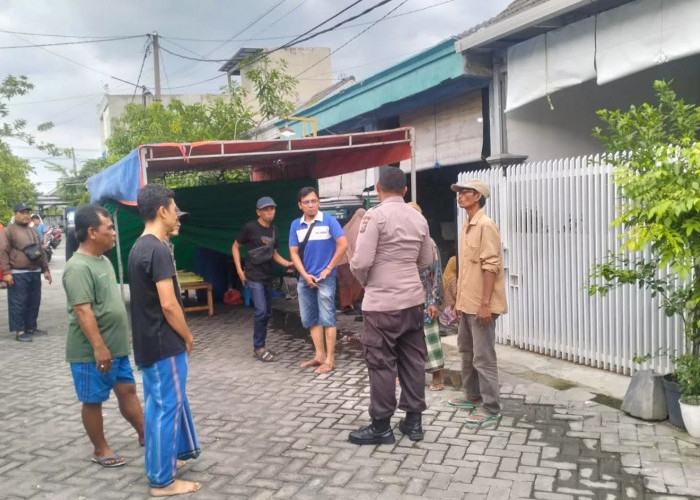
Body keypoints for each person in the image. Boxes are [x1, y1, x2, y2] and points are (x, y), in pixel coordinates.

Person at [348, 167, 433, 445]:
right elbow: (425, 260)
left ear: (378, 188)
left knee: (381, 363)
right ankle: (414, 423)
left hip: (382, 304)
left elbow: (360, 263)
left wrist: (367, 283)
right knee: (413, 361)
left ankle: (381, 426)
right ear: (405, 190)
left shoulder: (375, 216)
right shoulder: (418, 218)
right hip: (413, 302)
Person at [128, 184, 201, 497]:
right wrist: (187, 335)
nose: (177, 217)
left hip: (150, 343)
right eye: (175, 210)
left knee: (159, 407)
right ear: (162, 211)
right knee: (166, 408)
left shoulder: (139, 247)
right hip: (163, 343)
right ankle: (162, 481)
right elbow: (169, 304)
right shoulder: (157, 249)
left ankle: (164, 464)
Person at [62, 205, 145, 468]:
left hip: (116, 347)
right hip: (91, 353)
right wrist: (99, 347)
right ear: (91, 232)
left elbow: (109, 304)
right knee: (93, 400)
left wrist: (122, 336)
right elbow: (82, 310)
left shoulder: (104, 260)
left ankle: (146, 434)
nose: (114, 233)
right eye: (109, 228)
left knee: (128, 390)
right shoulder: (77, 267)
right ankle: (100, 449)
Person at [448, 179, 508, 425]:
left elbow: (490, 266)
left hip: (481, 305)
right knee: (466, 351)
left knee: (484, 357)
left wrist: (485, 304)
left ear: (477, 196)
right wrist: (458, 302)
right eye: (459, 193)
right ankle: (472, 396)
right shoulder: (466, 227)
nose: (459, 196)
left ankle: (491, 406)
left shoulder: (486, 225)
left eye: (464, 193)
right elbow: (466, 269)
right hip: (467, 303)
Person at [289, 187, 348, 375]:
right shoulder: (295, 225)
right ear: (300, 205)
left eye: (314, 201)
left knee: (327, 317)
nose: (311, 205)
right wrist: (305, 275)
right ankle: (319, 356)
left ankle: (330, 359)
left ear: (319, 202)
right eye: (307, 202)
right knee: (311, 318)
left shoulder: (329, 221)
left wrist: (329, 268)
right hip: (305, 279)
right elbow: (293, 252)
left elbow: (343, 245)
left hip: (325, 278)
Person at [232, 196, 293, 362]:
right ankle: (258, 348)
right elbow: (235, 246)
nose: (269, 212)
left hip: (267, 276)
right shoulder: (250, 228)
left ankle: (261, 346)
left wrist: (288, 263)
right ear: (258, 212)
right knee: (260, 311)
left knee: (266, 313)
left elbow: (273, 254)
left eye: (272, 208)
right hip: (253, 276)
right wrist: (239, 270)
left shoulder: (274, 230)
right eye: (266, 209)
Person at [407, 202, 446, 392]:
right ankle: (407, 374)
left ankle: (437, 375)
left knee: (430, 337)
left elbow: (436, 272)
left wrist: (434, 301)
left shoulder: (429, 243)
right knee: (406, 338)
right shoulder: (400, 241)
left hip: (425, 296)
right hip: (404, 298)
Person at [0, 203, 52, 342]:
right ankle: (20, 331)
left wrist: (46, 269)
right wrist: (6, 272)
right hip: (17, 272)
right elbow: (3, 251)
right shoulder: (8, 231)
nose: (25, 215)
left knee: (34, 301)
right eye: (22, 213)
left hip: (34, 271)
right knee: (19, 302)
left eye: (27, 213)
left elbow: (40, 250)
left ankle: (30, 327)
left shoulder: (32, 230)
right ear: (15, 213)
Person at [336, 208, 366, 314]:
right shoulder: (359, 228)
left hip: (342, 260)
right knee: (350, 284)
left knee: (346, 284)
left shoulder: (348, 226)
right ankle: (347, 306)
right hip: (348, 261)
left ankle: (349, 305)